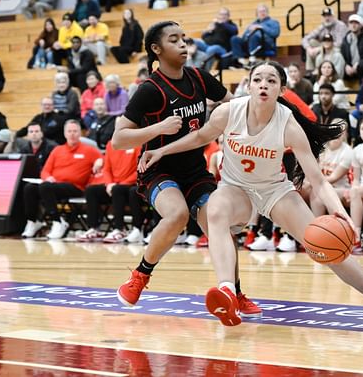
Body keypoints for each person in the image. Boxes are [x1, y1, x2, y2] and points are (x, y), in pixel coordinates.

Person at [138, 61, 363, 326]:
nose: (263, 85)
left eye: (271, 81)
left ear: (281, 89)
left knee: (325, 246)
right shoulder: (228, 112)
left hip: (274, 190)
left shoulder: (289, 125)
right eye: (257, 80)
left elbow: (319, 180)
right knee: (216, 209)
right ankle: (227, 292)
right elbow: (199, 138)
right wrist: (161, 150)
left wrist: (339, 211)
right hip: (236, 188)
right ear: (248, 85)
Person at [110, 21, 261, 318]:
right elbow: (118, 139)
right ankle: (140, 275)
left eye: (184, 39)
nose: (183, 45)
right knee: (177, 214)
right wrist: (158, 128)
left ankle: (234, 292)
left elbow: (233, 104)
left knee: (218, 224)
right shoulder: (149, 90)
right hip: (158, 169)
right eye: (174, 40)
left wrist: (262, 101)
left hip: (195, 171)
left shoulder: (199, 78)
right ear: (156, 49)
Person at [21, 119, 102, 239]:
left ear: (80, 133)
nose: (72, 134)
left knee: (45, 187)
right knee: (29, 188)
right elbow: (45, 170)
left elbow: (103, 158)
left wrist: (99, 162)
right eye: (69, 131)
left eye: (75, 131)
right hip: (53, 186)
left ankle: (58, 221)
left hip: (75, 187)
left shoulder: (89, 150)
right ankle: (33, 222)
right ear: (65, 133)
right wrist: (48, 177)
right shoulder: (57, 150)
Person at [78, 141, 144, 243]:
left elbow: (139, 170)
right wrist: (108, 184)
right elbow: (106, 168)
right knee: (91, 190)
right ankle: (94, 229)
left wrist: (121, 183)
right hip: (114, 186)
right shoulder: (111, 144)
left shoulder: (137, 143)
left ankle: (120, 229)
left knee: (117, 190)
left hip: (131, 185)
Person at [311, 119, 353, 217]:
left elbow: (334, 178)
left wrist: (314, 183)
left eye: (341, 131)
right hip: (321, 184)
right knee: (300, 190)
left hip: (341, 188)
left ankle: (320, 225)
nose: (337, 134)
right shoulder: (321, 148)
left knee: (320, 193)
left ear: (345, 135)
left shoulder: (348, 152)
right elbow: (312, 169)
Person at [302, 7, 349, 73]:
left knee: (332, 48)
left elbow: (339, 43)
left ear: (333, 16)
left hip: (338, 50)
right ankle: (310, 71)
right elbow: (305, 39)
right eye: (325, 16)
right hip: (325, 48)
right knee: (311, 42)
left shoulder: (340, 26)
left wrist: (319, 48)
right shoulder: (322, 27)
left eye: (329, 16)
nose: (327, 18)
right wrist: (308, 48)